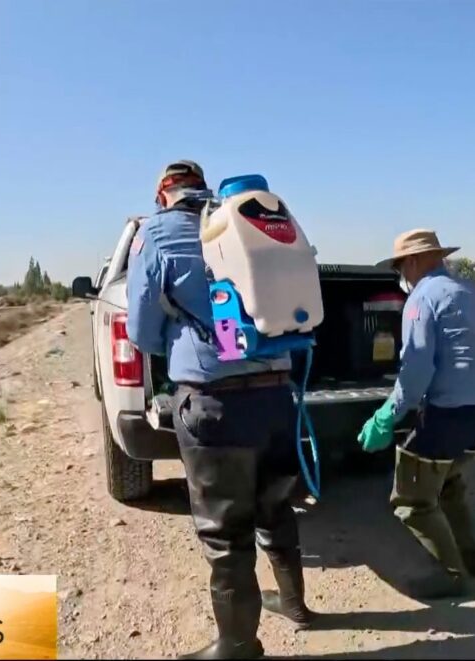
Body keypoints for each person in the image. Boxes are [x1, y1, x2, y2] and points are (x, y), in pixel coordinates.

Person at [126, 160, 315, 660]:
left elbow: (142, 332)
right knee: (275, 506)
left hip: (214, 402)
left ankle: (237, 645)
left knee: (225, 530)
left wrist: (182, 340)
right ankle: (295, 605)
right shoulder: (243, 219)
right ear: (202, 187)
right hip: (276, 392)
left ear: (163, 193)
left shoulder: (157, 232)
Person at [357, 228, 475, 599]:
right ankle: (472, 559)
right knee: (447, 483)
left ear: (412, 261)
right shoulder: (474, 293)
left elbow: (415, 373)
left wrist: (386, 416)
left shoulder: (421, 300)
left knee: (411, 499)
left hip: (451, 412)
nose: (401, 275)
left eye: (400, 267)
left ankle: (452, 575)